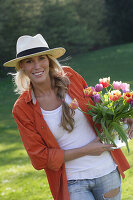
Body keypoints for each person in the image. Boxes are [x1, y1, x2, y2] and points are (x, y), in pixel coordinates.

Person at [4, 34, 132, 200]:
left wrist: (122, 118)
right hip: (72, 182)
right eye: (29, 61)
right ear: (22, 66)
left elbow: (97, 110)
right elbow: (39, 159)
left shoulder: (70, 77)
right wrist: (86, 150)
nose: (37, 66)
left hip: (106, 171)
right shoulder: (22, 108)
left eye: (41, 58)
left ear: (49, 60)